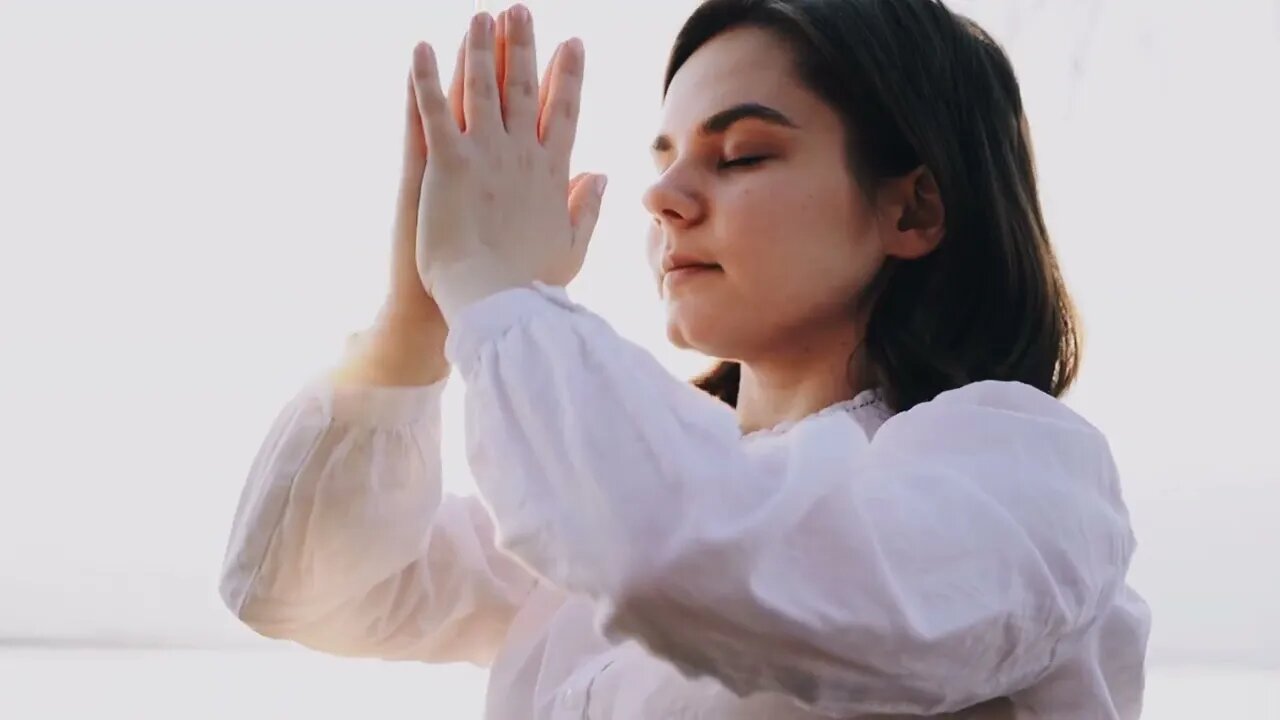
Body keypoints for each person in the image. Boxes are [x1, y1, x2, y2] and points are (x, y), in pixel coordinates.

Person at [220, 1, 1151, 717]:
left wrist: (502, 299)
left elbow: (706, 559)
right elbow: (300, 590)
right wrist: (415, 322)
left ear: (911, 210)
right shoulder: (630, 492)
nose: (662, 195)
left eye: (741, 155)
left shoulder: (1023, 471)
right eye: (663, 156)